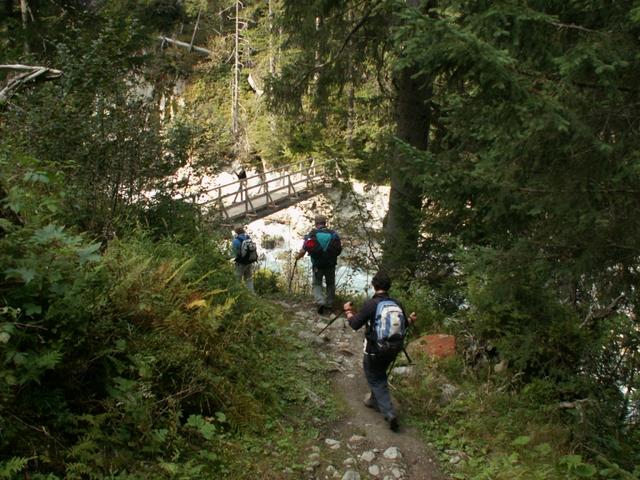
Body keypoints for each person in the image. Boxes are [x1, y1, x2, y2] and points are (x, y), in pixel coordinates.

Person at [343, 271, 416, 431]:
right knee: (379, 374)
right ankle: (373, 401)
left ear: (374, 286)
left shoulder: (371, 304)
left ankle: (389, 413)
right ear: (389, 287)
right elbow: (403, 324)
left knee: (375, 378)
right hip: (394, 348)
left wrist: (348, 311)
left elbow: (354, 324)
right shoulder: (396, 303)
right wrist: (410, 319)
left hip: (375, 350)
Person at [295, 214, 342, 314]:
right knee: (330, 284)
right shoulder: (333, 234)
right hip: (330, 265)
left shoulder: (312, 235)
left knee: (317, 284)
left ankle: (320, 301)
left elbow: (304, 250)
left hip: (317, 265)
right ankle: (329, 305)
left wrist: (297, 258)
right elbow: (338, 249)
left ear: (316, 223)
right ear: (325, 223)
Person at [231, 226, 256, 292]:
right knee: (249, 279)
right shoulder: (248, 238)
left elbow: (234, 253)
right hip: (249, 261)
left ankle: (238, 293)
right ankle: (252, 294)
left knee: (237, 279)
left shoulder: (235, 241)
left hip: (241, 263)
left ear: (236, 232)